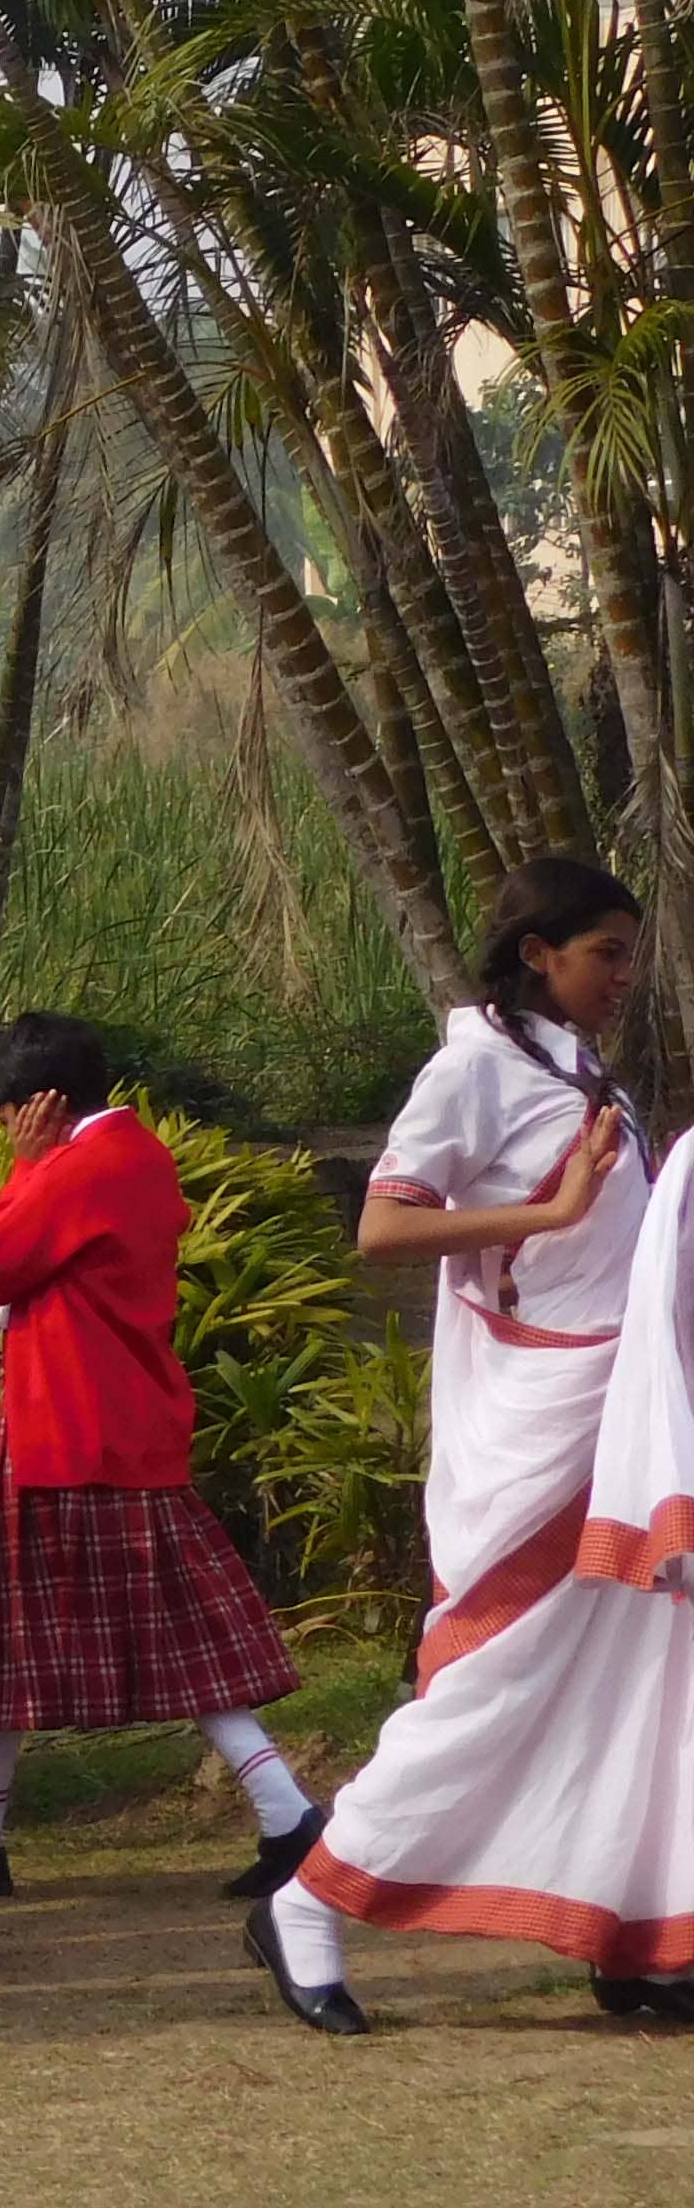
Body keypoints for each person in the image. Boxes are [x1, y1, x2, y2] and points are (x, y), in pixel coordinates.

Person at [276, 859, 679, 2029]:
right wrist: (550, 1212)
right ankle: (309, 1897)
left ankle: (629, 1936)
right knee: (496, 1677)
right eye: (606, 952)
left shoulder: (582, 1070)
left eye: (629, 952)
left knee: (631, 1672)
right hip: (541, 1420)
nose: (625, 974)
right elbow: (383, 1227)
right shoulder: (474, 1068)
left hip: (622, 1407)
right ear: (537, 954)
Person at [0, 1010, 319, 1906]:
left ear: (37, 1106)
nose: (7, 1131)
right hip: (111, 1428)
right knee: (165, 1643)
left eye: (8, 1116)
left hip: (69, 1435)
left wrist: (28, 1167)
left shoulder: (79, 1167)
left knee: (32, 1647)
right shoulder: (137, 1154)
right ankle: (283, 1816)